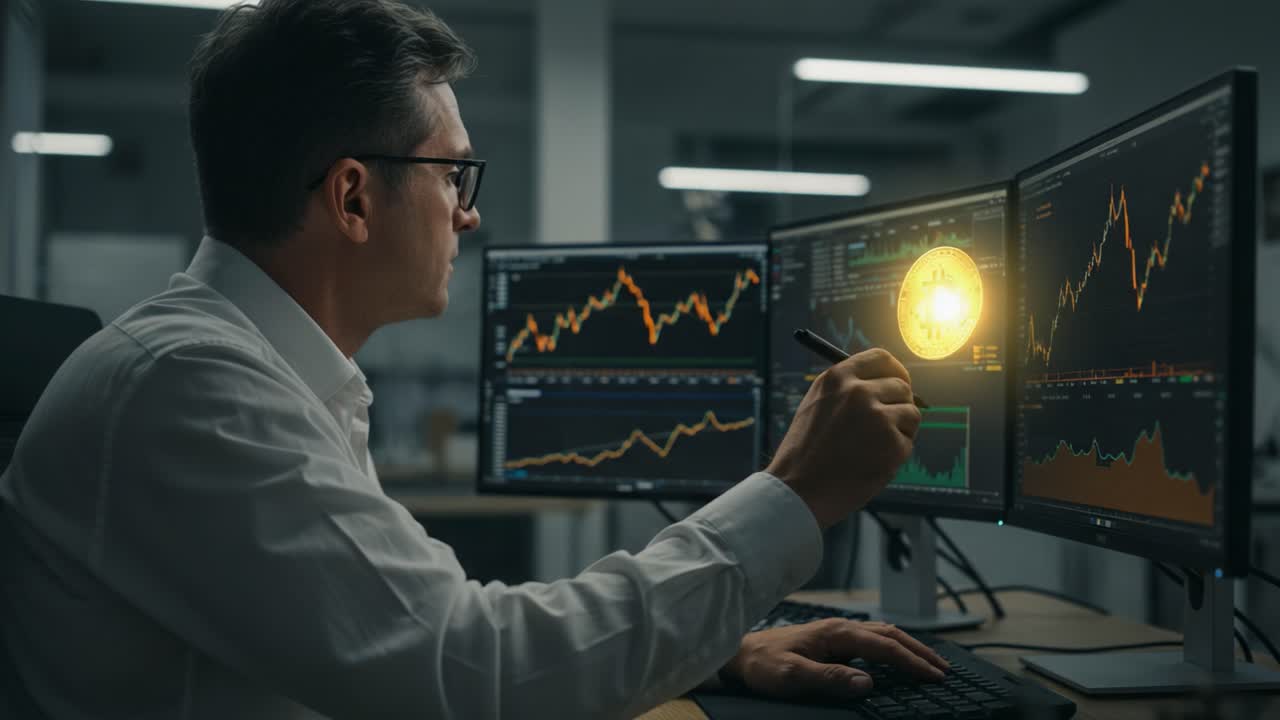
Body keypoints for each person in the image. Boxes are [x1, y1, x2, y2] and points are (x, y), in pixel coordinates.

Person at [0, 1, 943, 718]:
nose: (469, 213)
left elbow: (431, 623)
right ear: (354, 199)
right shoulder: (189, 389)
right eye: (453, 174)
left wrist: (718, 646)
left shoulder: (257, 374)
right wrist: (796, 493)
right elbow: (468, 670)